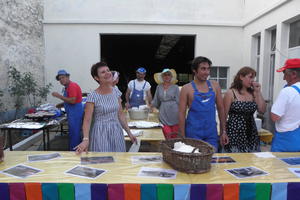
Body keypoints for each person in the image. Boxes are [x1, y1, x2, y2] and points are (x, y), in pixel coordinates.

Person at [75, 62, 136, 154]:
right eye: (103, 72)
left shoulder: (116, 91)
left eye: (108, 70)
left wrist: (129, 133)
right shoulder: (92, 96)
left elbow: (120, 114)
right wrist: (86, 139)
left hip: (116, 131)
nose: (107, 73)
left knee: (119, 161)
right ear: (96, 78)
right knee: (102, 162)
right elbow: (87, 120)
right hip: (100, 133)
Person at [179, 56, 226, 151]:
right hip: (193, 133)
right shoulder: (186, 88)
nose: (207, 72)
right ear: (194, 70)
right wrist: (182, 136)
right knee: (194, 161)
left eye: (208, 69)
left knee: (212, 159)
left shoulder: (215, 86)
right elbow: (181, 114)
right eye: (203, 69)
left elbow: (221, 109)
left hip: (211, 133)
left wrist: (223, 132)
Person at [222, 67, 266, 152]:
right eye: (250, 77)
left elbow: (262, 110)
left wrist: (258, 92)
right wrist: (223, 132)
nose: (252, 80)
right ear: (241, 77)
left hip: (251, 132)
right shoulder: (231, 93)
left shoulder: (253, 93)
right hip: (234, 132)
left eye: (253, 78)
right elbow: (224, 116)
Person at [271, 58, 300, 152]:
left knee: (279, 166)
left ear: (294, 74)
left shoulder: (287, 91)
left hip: (285, 142)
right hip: (297, 138)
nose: (284, 78)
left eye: (285, 74)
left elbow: (274, 117)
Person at [52, 69, 83, 150]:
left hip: (75, 112)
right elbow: (69, 99)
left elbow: (72, 100)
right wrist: (61, 104)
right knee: (74, 133)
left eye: (63, 77)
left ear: (68, 77)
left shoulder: (72, 86)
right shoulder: (67, 87)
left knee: (74, 134)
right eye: (60, 79)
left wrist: (59, 96)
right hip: (72, 112)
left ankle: (74, 153)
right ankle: (78, 150)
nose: (61, 80)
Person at [152, 68, 180, 139]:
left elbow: (179, 101)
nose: (167, 76)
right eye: (165, 75)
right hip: (163, 112)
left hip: (174, 112)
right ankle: (166, 147)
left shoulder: (175, 87)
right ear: (162, 77)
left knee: (174, 134)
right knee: (166, 133)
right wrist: (151, 107)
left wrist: (182, 112)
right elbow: (156, 100)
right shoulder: (159, 87)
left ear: (171, 77)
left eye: (169, 75)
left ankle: (172, 148)